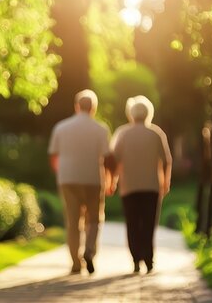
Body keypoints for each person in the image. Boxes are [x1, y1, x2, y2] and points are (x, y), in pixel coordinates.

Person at [48, 89, 112, 274]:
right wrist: (109, 181)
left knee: (73, 221)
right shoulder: (101, 129)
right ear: (93, 108)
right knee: (94, 219)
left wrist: (61, 173)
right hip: (92, 179)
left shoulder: (61, 127)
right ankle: (89, 251)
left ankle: (76, 263)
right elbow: (107, 158)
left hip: (68, 180)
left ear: (76, 106)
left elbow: (53, 156)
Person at [108, 95, 172, 274]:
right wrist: (166, 182)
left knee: (133, 223)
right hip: (152, 186)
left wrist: (112, 181)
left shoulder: (122, 133)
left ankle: (136, 259)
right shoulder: (156, 133)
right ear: (148, 113)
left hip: (129, 187)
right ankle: (149, 259)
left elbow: (114, 159)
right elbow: (167, 160)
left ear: (131, 114)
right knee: (149, 223)